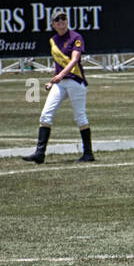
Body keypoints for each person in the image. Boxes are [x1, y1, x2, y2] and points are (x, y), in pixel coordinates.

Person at [21, 11, 94, 164]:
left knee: (80, 116)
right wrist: (52, 81)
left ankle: (88, 154)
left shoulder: (76, 37)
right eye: (57, 19)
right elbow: (58, 65)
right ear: (52, 24)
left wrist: (60, 76)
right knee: (45, 115)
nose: (61, 21)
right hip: (60, 83)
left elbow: (74, 60)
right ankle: (40, 154)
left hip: (76, 81)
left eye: (63, 18)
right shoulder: (53, 40)